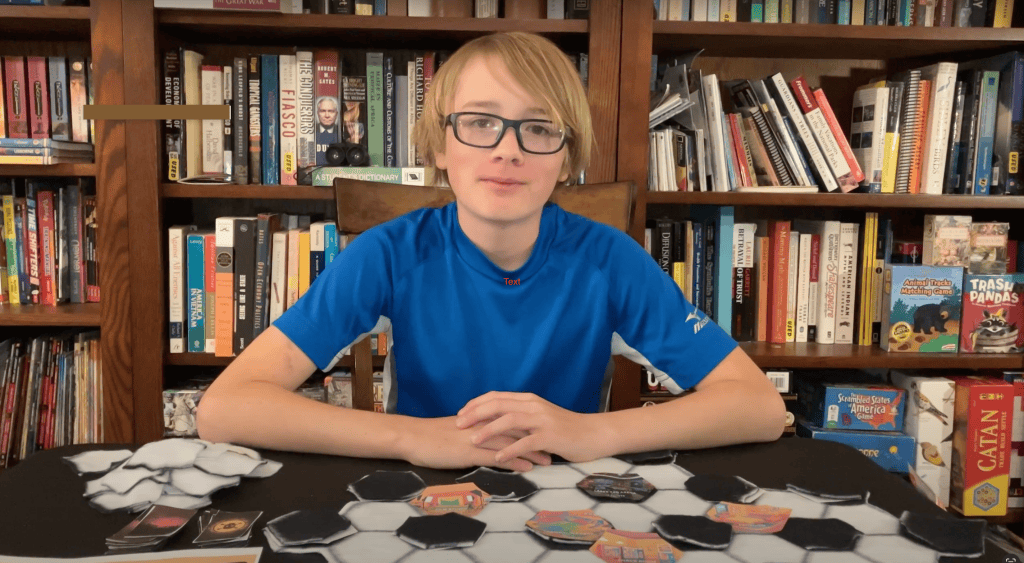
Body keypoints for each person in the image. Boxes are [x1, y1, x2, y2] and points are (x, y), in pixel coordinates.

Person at [196, 31, 786, 473]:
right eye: (480, 122)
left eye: (538, 127)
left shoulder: (610, 260)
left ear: (566, 157)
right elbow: (226, 408)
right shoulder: (389, 254)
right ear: (441, 145)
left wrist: (590, 433)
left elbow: (757, 406)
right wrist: (412, 438)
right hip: (422, 490)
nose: (508, 150)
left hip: (561, 500)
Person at [315, 96, 341, 164]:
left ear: (336, 114)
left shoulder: (343, 132)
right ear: (318, 113)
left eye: (331, 111)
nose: (327, 115)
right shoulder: (310, 132)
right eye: (323, 111)